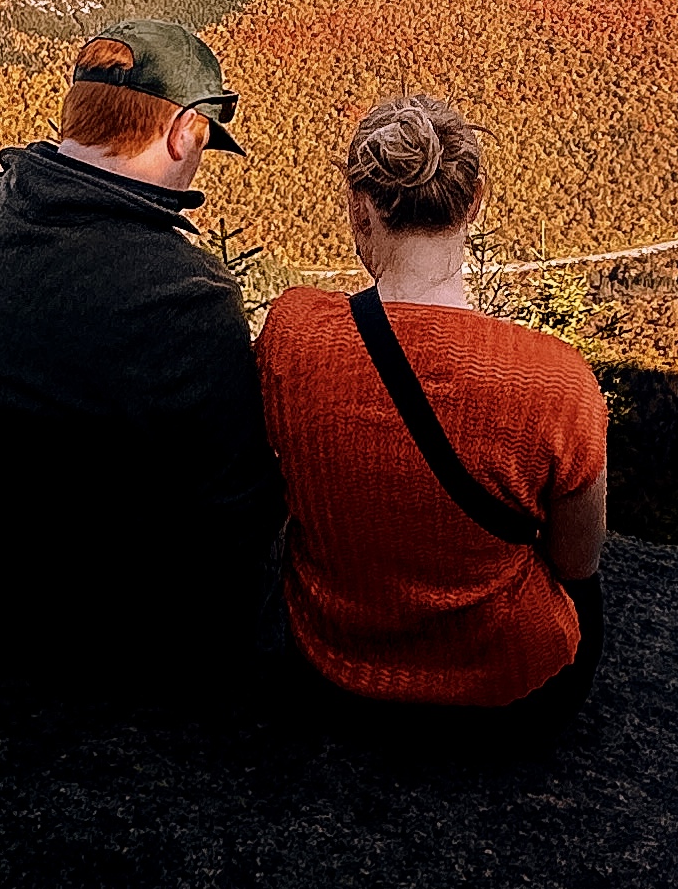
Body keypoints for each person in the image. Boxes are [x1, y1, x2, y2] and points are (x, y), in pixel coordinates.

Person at [0, 17, 281, 684]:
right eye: (201, 143)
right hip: (123, 626)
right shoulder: (182, 292)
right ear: (177, 132)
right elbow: (236, 512)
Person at [257, 95, 608, 746]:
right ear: (475, 202)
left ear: (359, 207)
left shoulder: (293, 330)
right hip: (511, 695)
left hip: (334, 675)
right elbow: (575, 561)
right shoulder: (556, 380)